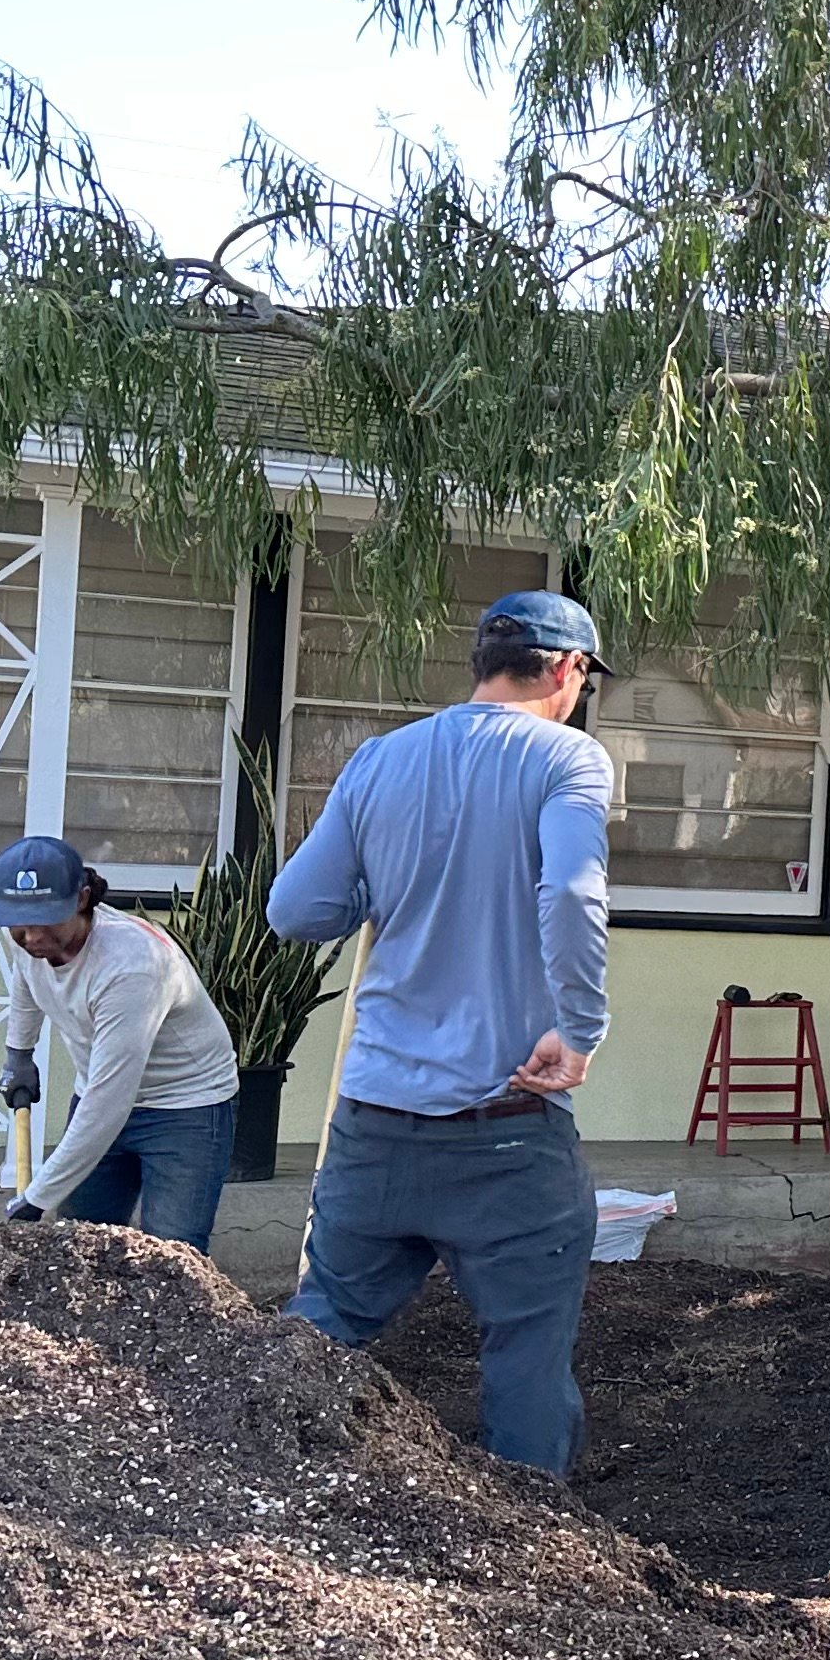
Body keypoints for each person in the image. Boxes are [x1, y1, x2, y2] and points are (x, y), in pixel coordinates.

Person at [267, 586, 616, 1477]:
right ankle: (535, 1557)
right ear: (568, 669)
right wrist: (578, 1029)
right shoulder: (568, 759)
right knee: (526, 1352)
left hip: (375, 1120)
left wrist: (378, 893)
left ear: (483, 663)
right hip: (504, 1127)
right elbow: (572, 892)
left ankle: (251, 1495)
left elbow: (296, 909)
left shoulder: (382, 758)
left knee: (324, 1325)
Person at [0, 834, 242, 1252]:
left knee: (172, 1255)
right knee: (83, 1240)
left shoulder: (131, 966)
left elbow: (108, 1102)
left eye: (45, 918)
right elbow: (26, 983)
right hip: (101, 1094)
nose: (31, 937)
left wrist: (36, 1198)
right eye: (19, 923)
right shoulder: (33, 943)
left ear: (82, 899)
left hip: (186, 1106)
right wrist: (19, 1055)